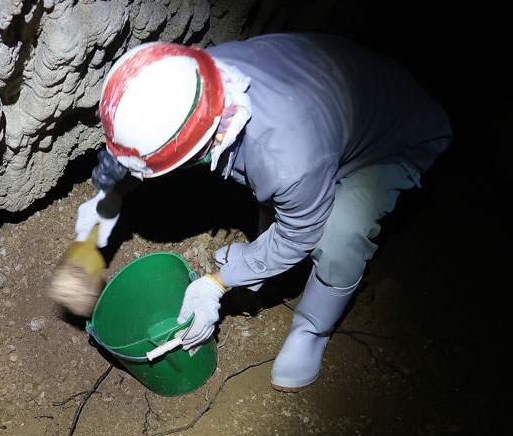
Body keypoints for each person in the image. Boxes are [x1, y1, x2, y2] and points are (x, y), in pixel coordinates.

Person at [74, 34, 451, 392]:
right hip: (334, 104)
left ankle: (312, 328)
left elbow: (299, 234)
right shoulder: (189, 79)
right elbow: (142, 130)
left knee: (339, 235)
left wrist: (216, 284)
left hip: (396, 138)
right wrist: (108, 198)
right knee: (280, 194)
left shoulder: (287, 161)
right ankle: (259, 265)